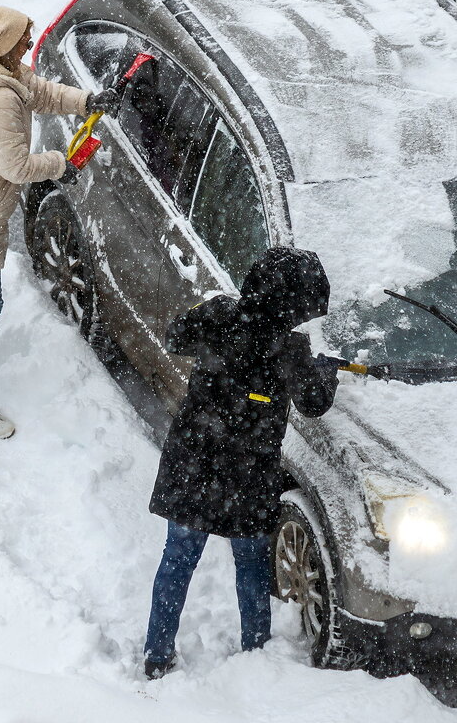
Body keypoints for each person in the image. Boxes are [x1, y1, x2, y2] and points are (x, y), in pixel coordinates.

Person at [143, 247, 339, 679]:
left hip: (195, 459)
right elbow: (314, 402)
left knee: (177, 558)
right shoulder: (290, 349)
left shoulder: (217, 315)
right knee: (250, 562)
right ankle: (256, 653)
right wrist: (325, 370)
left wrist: (208, 317)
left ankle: (156, 655)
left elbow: (175, 337)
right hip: (247, 474)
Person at [0, 6, 119, 438]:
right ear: (2, 47)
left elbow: (41, 92)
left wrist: (88, 100)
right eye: (22, 39)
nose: (29, 44)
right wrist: (61, 164)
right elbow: (15, 166)